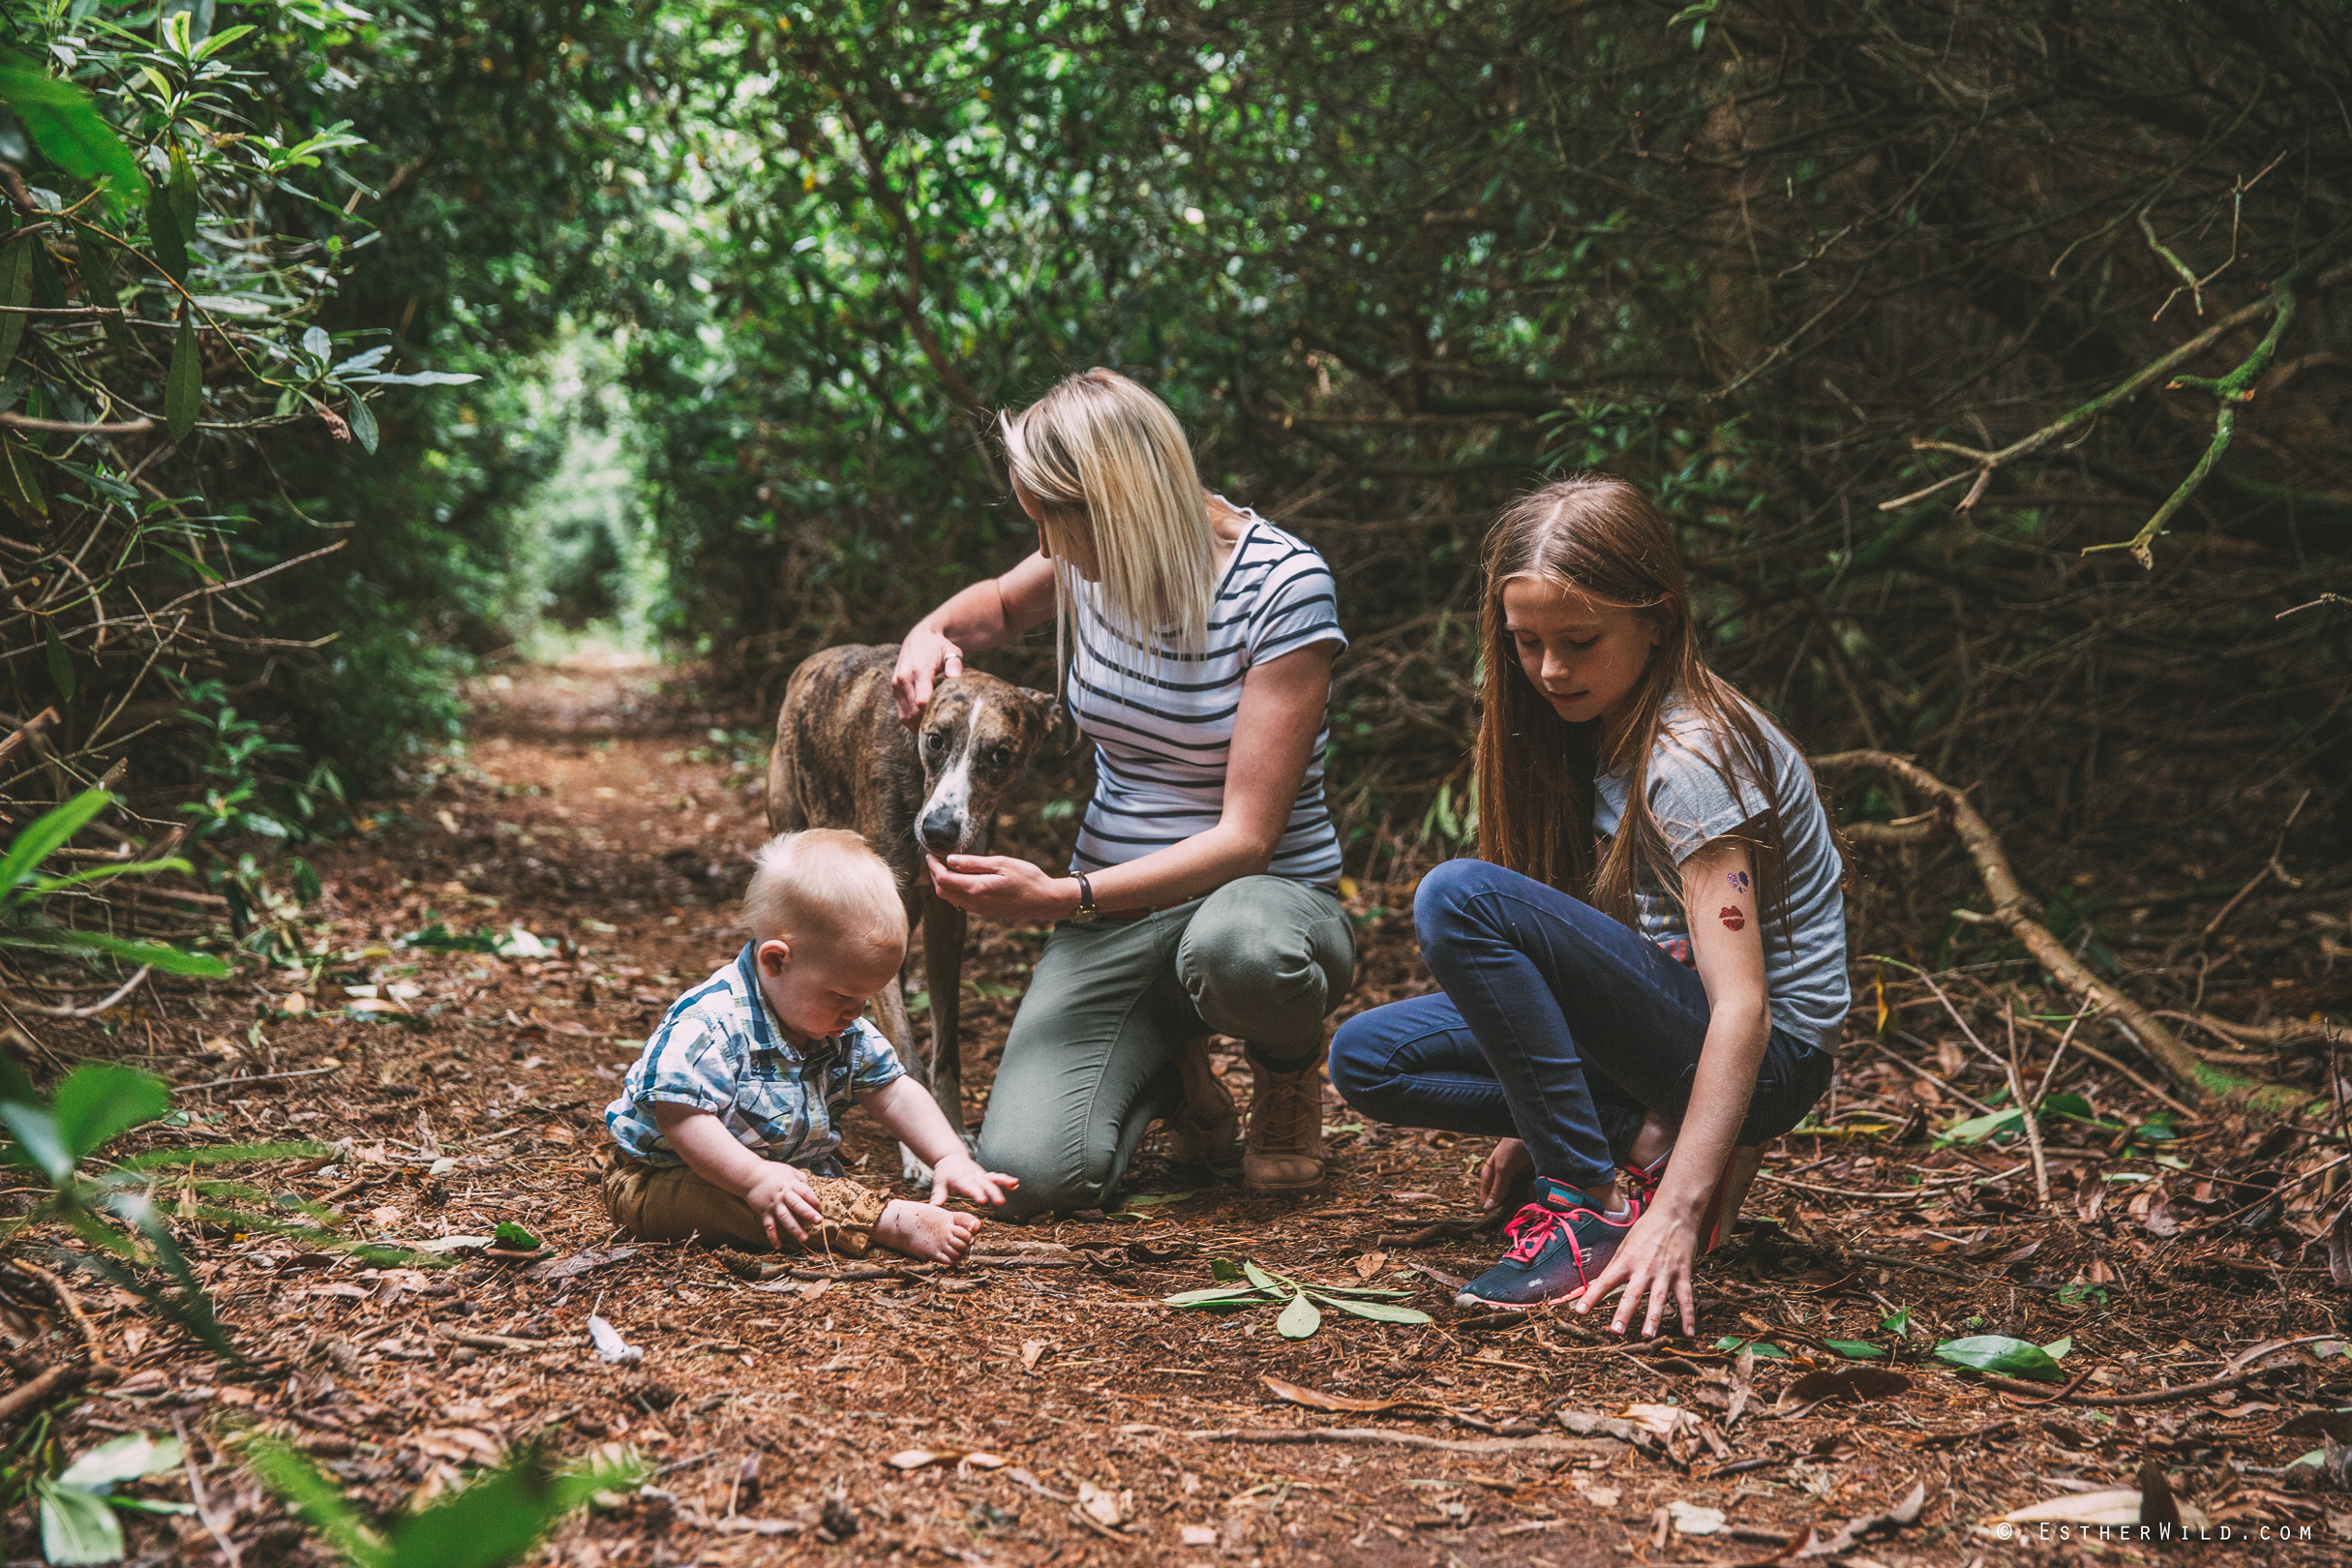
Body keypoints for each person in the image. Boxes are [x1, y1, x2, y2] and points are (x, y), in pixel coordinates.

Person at [1329, 474, 1847, 1334]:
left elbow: (1745, 1005)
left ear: (1658, 618)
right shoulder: (1593, 726)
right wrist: (1540, 1110)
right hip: (1666, 1035)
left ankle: (1592, 1207)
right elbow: (1609, 952)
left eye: (1579, 640)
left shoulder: (1691, 758)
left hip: (1765, 1058)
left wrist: (1679, 1210)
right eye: (1527, 644)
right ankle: (1615, 1147)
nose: (1550, 669)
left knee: (1459, 898)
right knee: (1368, 1058)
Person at [891, 368, 1353, 1216]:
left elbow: (1246, 838)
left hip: (1258, 899)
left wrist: (1061, 897)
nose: (1047, 552)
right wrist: (929, 634)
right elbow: (990, 608)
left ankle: (1286, 1076)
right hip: (1116, 909)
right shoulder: (1085, 560)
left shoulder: (1283, 587)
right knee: (1032, 1175)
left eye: (1052, 526)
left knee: (1239, 950)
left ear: (1114, 504)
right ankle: (1179, 1083)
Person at [600, 829, 1016, 1264]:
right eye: (843, 997)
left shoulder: (836, 1023)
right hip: (665, 1177)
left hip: (776, 1174)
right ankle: (886, 1223)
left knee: (789, 1198)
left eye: (866, 999)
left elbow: (893, 1091)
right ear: (777, 961)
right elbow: (680, 1118)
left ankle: (824, 1206)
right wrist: (754, 1178)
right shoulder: (711, 1025)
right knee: (765, 1204)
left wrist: (948, 1155)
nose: (857, 1012)